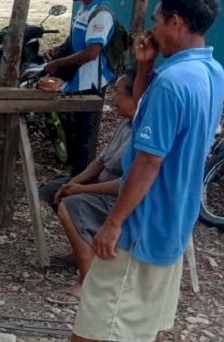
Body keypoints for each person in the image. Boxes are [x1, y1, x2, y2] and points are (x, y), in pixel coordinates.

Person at [71, 0, 224, 342]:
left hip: (138, 230)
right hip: (172, 223)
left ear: (176, 22)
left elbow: (149, 162)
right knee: (133, 330)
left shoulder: (172, 82)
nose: (152, 30)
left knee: (94, 331)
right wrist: (145, 68)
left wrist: (113, 223)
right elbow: (145, 117)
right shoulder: (210, 72)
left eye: (156, 21)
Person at [39, 72, 136, 305]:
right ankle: (82, 246)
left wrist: (80, 191)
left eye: (118, 95)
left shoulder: (143, 133)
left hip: (120, 197)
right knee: (53, 190)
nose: (113, 101)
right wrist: (73, 183)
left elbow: (126, 186)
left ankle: (87, 280)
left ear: (136, 98)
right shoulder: (125, 123)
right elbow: (100, 162)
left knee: (69, 205)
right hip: (102, 183)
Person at [43, 0, 115, 176]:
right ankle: (74, 174)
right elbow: (76, 39)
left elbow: (92, 51)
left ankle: (81, 179)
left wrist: (58, 64)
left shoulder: (101, 14)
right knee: (74, 129)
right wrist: (58, 51)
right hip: (77, 80)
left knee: (85, 134)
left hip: (90, 82)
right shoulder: (85, 8)